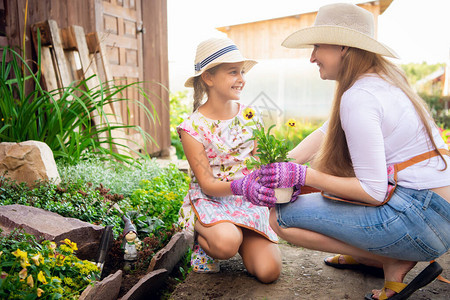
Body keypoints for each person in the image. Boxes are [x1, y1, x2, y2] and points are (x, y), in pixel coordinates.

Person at [257, 3, 450, 299]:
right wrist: (277, 164)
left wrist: (302, 174)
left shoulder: (359, 96)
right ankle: (381, 253)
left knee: (279, 218)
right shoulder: (384, 81)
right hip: (435, 213)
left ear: (343, 47)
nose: (312, 57)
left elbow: (372, 191)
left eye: (318, 46)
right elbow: (327, 132)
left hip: (421, 220)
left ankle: (386, 257)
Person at [177, 37, 282, 283]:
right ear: (209, 78)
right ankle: (206, 239)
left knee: (269, 272)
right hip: (212, 199)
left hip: (247, 201)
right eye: (233, 72)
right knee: (226, 244)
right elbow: (207, 184)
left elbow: (258, 162)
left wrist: (271, 180)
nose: (241, 79)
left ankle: (241, 232)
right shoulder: (192, 128)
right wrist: (242, 185)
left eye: (242, 72)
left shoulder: (251, 116)